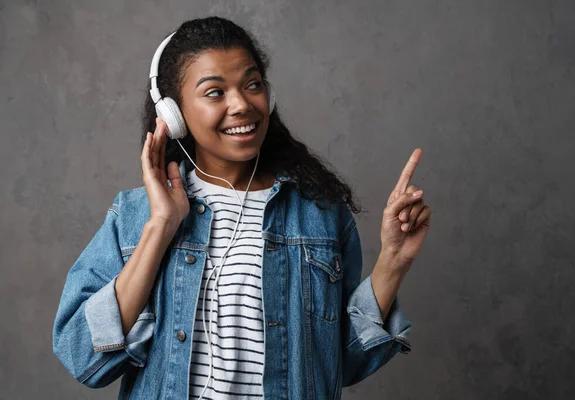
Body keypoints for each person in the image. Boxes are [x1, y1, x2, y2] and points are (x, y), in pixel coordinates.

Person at [52, 16, 431, 400]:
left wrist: (393, 263)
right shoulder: (134, 216)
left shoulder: (320, 213)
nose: (241, 105)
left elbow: (340, 365)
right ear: (174, 114)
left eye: (252, 85)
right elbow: (83, 357)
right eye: (214, 92)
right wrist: (161, 226)